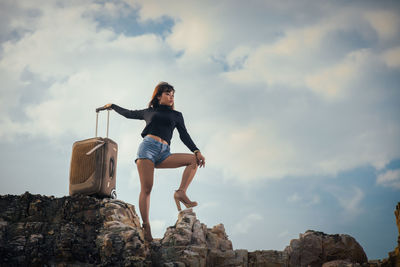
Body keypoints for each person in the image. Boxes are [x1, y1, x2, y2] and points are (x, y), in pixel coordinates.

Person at [102, 82, 205, 243]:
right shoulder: (148, 112)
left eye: (173, 94)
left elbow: (184, 135)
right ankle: (146, 226)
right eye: (167, 93)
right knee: (147, 188)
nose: (171, 97)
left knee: (194, 160)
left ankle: (181, 192)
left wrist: (196, 151)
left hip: (165, 153)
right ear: (158, 96)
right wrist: (113, 106)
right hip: (147, 149)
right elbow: (128, 113)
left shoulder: (177, 115)